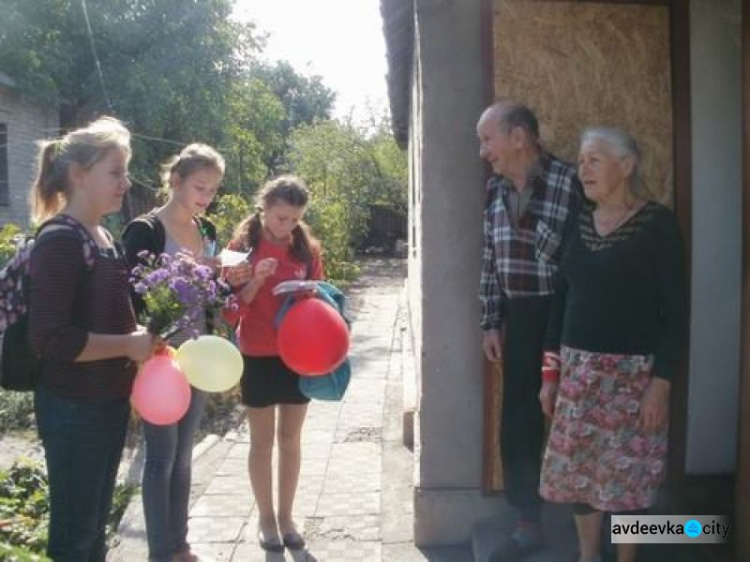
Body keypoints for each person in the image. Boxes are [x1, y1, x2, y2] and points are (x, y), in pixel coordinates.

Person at [538, 127, 687, 562]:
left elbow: (676, 310)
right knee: (581, 474)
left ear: (626, 165)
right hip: (579, 376)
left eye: (595, 160)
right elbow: (560, 301)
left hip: (634, 379)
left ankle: (627, 559)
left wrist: (661, 382)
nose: (583, 169)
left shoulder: (657, 225)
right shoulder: (577, 222)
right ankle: (589, 555)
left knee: (631, 478)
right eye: (581, 161)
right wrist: (551, 375)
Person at [28, 116, 160, 561]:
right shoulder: (61, 240)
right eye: (115, 172)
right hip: (72, 408)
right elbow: (49, 339)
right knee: (75, 535)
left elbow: (110, 318)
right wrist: (127, 345)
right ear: (79, 174)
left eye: (125, 171)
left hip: (105, 401)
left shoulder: (102, 235)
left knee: (94, 526)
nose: (125, 183)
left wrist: (142, 339)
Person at [477, 100, 581, 561]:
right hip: (518, 317)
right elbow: (489, 258)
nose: (483, 152)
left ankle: (592, 524)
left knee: (575, 415)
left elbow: (583, 257)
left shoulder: (570, 181)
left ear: (519, 137)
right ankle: (527, 521)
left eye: (487, 139)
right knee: (518, 417)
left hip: (565, 314)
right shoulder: (494, 189)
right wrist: (491, 320)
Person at [121, 143, 224, 562]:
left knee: (183, 455)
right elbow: (128, 294)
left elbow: (214, 293)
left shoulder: (209, 231)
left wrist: (226, 276)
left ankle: (179, 546)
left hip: (197, 354)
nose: (206, 196)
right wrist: (148, 340)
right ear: (177, 181)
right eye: (200, 186)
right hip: (160, 359)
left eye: (213, 190)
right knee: (161, 456)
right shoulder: (144, 230)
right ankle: (159, 553)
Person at [223, 175, 323, 553]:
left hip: (297, 354)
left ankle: (286, 517)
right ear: (263, 208)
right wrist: (256, 283)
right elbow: (230, 314)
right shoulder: (239, 249)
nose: (288, 227)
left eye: (295, 219)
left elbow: (320, 301)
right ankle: (265, 518)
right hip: (257, 354)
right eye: (281, 218)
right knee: (262, 442)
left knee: (291, 440)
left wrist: (309, 296)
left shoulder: (306, 249)